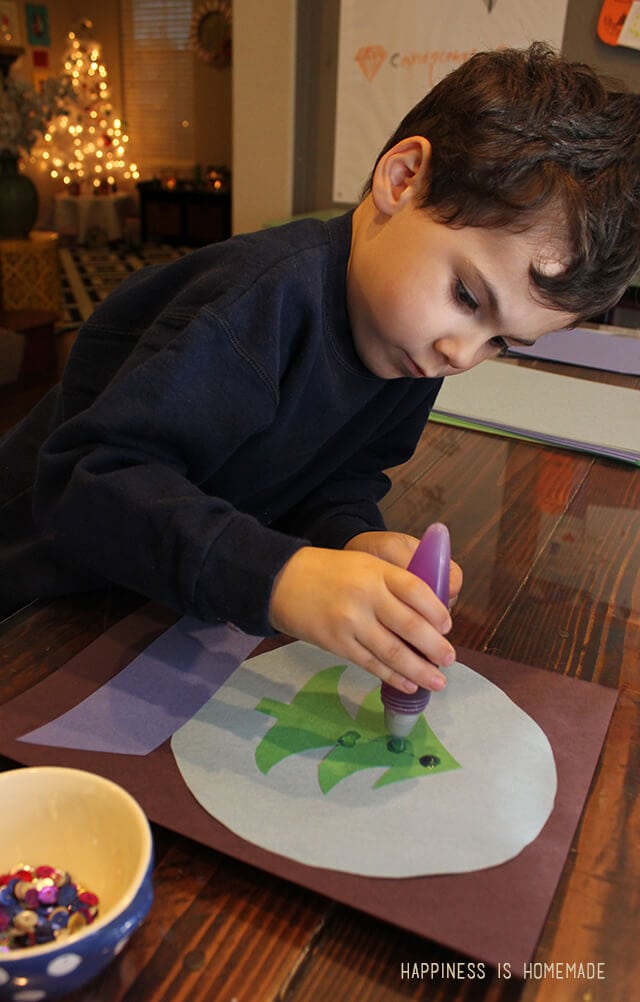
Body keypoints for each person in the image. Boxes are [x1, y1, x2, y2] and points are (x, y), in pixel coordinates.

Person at [1, 43, 638, 699]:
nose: (463, 354)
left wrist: (351, 538)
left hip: (145, 608)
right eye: (469, 298)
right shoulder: (259, 303)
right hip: (35, 600)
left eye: (502, 342)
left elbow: (335, 480)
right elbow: (84, 485)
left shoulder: (414, 346)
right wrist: (280, 578)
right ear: (403, 180)